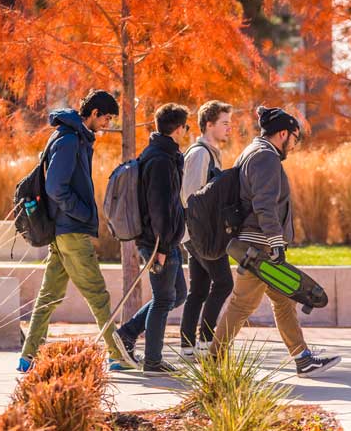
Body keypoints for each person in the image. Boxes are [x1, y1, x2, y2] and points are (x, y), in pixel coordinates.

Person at [210, 106, 341, 378]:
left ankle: (302, 357)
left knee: (283, 300)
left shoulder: (251, 152)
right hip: (260, 246)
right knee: (242, 305)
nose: (294, 145)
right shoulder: (266, 157)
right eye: (295, 138)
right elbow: (264, 204)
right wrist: (276, 241)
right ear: (283, 134)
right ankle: (213, 360)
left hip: (255, 242)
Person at [18, 90, 131, 372]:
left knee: (48, 296)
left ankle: (27, 357)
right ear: (93, 113)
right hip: (71, 230)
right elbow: (56, 187)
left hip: (62, 230)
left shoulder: (71, 136)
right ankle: (117, 355)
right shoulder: (69, 140)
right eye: (105, 117)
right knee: (97, 294)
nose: (107, 123)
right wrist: (82, 211)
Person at [113, 103, 190, 376]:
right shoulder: (159, 159)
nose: (186, 132)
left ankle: (128, 333)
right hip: (159, 241)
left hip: (166, 239)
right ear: (179, 128)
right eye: (186, 127)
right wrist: (162, 248)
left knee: (178, 294)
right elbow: (159, 207)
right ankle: (153, 361)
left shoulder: (163, 154)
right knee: (163, 298)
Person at [179, 101, 234, 357]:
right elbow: (190, 195)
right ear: (209, 124)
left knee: (199, 289)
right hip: (202, 235)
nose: (229, 128)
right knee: (223, 283)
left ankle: (188, 346)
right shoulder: (200, 154)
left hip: (197, 234)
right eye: (224, 123)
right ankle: (205, 343)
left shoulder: (210, 153)